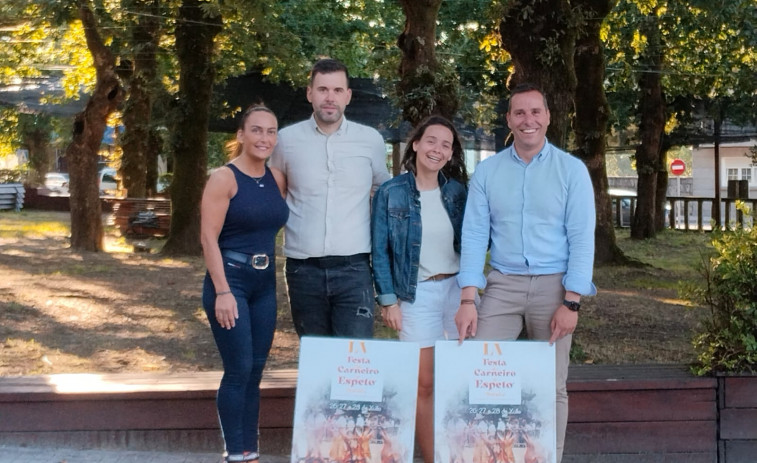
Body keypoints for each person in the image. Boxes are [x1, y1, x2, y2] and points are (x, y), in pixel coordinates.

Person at [455, 83, 596, 463]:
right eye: (520, 113)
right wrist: (468, 299)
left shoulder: (572, 171)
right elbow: (473, 237)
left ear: (548, 117)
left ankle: (549, 457)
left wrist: (572, 302)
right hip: (501, 284)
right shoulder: (487, 172)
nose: (528, 120)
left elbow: (582, 240)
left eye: (536, 112)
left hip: (555, 287)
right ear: (509, 120)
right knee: (480, 375)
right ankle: (484, 456)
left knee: (551, 387)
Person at [371, 115, 468, 463]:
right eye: (431, 141)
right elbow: (379, 250)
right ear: (416, 144)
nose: (438, 149)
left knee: (458, 380)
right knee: (423, 384)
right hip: (416, 295)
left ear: (451, 153)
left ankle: (461, 452)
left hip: (457, 292)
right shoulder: (391, 192)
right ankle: (432, 458)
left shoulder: (457, 193)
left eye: (446, 144)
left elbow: (472, 244)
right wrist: (388, 300)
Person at [271, 58, 391, 338]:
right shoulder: (286, 141)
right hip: (303, 269)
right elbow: (276, 197)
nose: (330, 97)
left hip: (355, 269)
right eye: (322, 89)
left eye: (337, 90)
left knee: (354, 359)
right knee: (316, 361)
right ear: (309, 93)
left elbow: (383, 193)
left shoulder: (370, 140)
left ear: (348, 96)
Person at [200, 105, 289, 463]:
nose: (263, 138)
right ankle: (235, 452)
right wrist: (222, 291)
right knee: (238, 370)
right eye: (256, 130)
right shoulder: (224, 178)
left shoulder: (278, 179)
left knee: (255, 371)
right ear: (240, 135)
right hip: (230, 281)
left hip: (264, 285)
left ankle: (250, 451)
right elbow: (208, 237)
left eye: (270, 131)